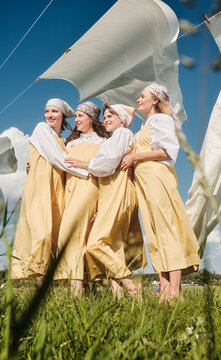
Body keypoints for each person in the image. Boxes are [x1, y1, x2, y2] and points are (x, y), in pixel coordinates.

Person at [120, 83, 201, 302]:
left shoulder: (161, 120)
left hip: (157, 177)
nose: (138, 100)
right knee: (154, 232)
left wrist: (135, 158)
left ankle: (175, 289)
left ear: (155, 99)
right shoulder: (145, 126)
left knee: (166, 229)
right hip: (144, 182)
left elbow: (166, 151)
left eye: (142, 96)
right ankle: (164, 288)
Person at [65, 102, 146, 298]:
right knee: (112, 242)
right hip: (110, 190)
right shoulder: (115, 137)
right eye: (106, 116)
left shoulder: (123, 134)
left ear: (122, 120)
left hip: (119, 188)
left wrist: (83, 164)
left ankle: (131, 286)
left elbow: (107, 164)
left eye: (112, 116)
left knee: (96, 243)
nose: (106, 119)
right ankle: (119, 296)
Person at [11, 98, 76, 286]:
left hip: (57, 189)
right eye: (47, 111)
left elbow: (60, 161)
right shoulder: (41, 129)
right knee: (43, 233)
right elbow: (60, 159)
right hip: (40, 187)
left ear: (62, 116)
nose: (49, 115)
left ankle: (54, 287)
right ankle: (42, 292)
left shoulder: (63, 140)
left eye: (54, 111)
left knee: (56, 234)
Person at [54, 101, 109, 296]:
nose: (76, 119)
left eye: (80, 116)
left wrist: (82, 163)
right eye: (75, 116)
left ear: (92, 119)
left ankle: (75, 293)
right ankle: (89, 289)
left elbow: (105, 167)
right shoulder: (70, 143)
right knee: (82, 237)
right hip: (69, 189)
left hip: (88, 188)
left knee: (71, 234)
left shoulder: (103, 142)